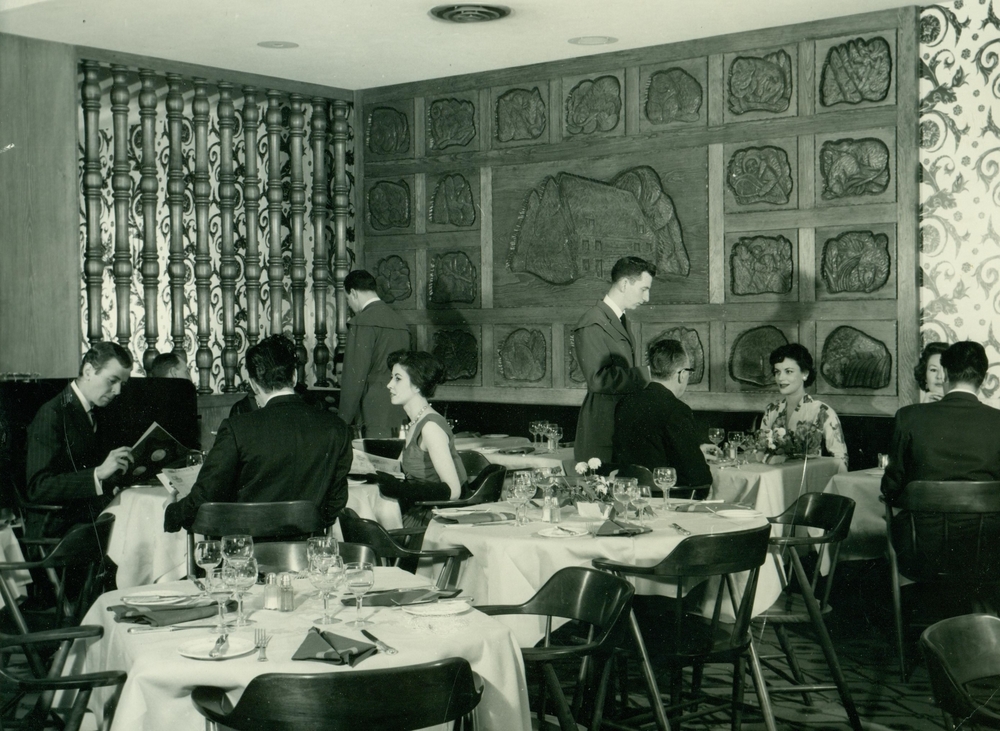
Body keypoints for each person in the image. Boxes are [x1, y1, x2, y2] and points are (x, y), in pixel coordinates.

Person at [163, 335, 352, 532]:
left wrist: (173, 512)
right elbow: (336, 502)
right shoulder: (336, 428)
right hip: (307, 553)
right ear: (294, 376)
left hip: (246, 554)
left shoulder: (237, 428)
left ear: (253, 384)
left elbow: (205, 498)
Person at [25, 342, 135, 538]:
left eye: (122, 384)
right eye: (112, 381)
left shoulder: (98, 411)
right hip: (56, 528)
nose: (117, 391)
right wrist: (99, 474)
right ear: (88, 371)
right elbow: (38, 488)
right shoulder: (52, 413)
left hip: (85, 518)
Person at [572, 256, 655, 462]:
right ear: (625, 284)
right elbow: (598, 379)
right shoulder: (593, 322)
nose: (647, 298)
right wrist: (647, 374)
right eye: (644, 289)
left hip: (621, 424)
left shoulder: (618, 319)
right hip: (604, 430)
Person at [612, 338, 718, 496]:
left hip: (631, 495)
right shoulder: (677, 410)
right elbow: (699, 478)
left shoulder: (625, 403)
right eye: (689, 371)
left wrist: (696, 451)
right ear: (681, 374)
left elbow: (649, 453)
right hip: (667, 498)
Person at [375, 350, 466, 524]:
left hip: (430, 520)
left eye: (397, 378)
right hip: (416, 511)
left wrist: (402, 490)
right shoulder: (416, 422)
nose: (389, 385)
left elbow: (454, 491)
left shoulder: (430, 426)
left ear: (417, 386)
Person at [340, 269, 411, 438]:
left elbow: (353, 378)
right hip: (399, 405)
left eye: (347, 299)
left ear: (354, 293)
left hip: (371, 407)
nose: (349, 304)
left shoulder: (361, 323)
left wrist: (342, 421)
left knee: (374, 459)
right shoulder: (400, 323)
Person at [761, 343, 848, 469]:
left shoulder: (822, 412)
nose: (780, 378)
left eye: (788, 371)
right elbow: (762, 449)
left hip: (812, 482)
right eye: (777, 372)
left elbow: (841, 461)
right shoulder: (771, 410)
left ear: (805, 374)